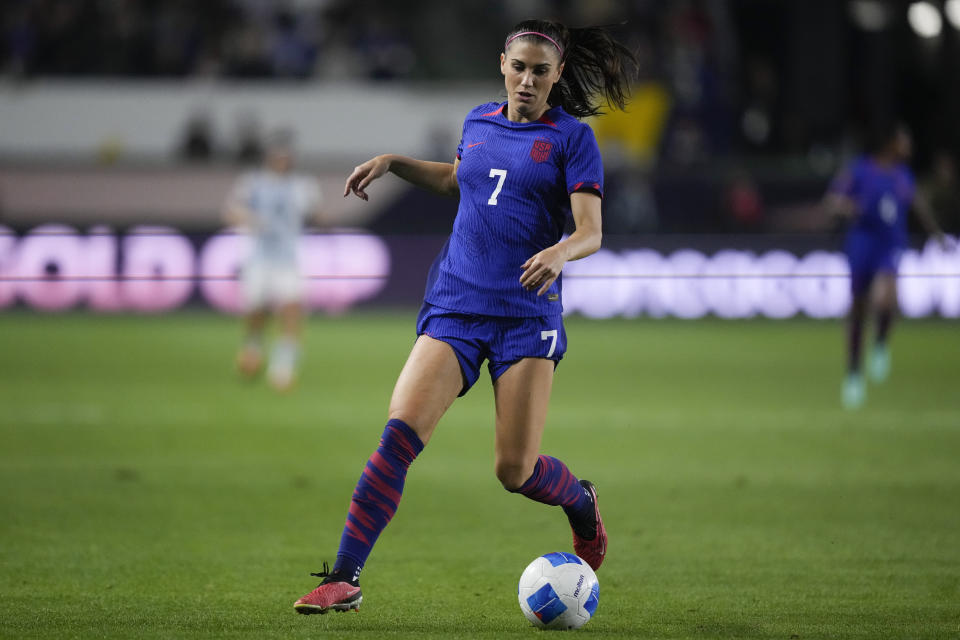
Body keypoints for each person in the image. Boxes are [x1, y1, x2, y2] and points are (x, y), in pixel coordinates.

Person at [293, 19, 637, 614]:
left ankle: (580, 501)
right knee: (398, 434)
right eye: (519, 67)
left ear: (556, 76)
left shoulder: (571, 139)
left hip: (526, 317)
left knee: (514, 470)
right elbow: (460, 180)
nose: (527, 80)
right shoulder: (477, 122)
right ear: (502, 64)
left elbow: (591, 232)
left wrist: (559, 252)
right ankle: (343, 577)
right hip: (455, 303)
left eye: (540, 71)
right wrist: (394, 161)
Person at [824, 123, 947, 409]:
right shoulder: (860, 170)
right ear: (890, 143)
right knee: (858, 309)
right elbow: (832, 202)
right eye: (905, 141)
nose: (909, 146)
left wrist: (938, 235)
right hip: (862, 244)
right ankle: (854, 372)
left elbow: (919, 206)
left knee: (885, 298)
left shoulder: (903, 176)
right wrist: (852, 206)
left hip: (889, 245)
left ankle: (880, 343)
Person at [223, 129, 323, 391]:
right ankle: (252, 348)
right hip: (258, 258)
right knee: (256, 311)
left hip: (288, 258)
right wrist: (249, 219)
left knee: (292, 310)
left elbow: (314, 214)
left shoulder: (303, 185)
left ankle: (282, 368)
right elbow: (231, 211)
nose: (283, 160)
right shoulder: (252, 182)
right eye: (278, 156)